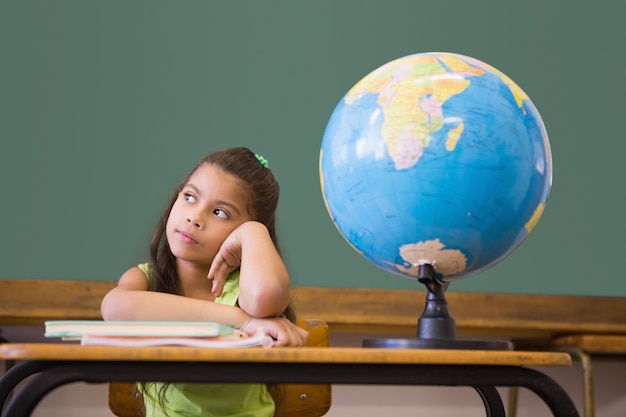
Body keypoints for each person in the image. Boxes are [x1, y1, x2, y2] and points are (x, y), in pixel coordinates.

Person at [101, 147, 308, 417]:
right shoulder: (145, 280)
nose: (195, 218)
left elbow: (265, 296)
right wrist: (240, 320)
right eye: (189, 197)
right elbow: (114, 308)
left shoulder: (245, 289)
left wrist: (253, 233)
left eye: (220, 213)